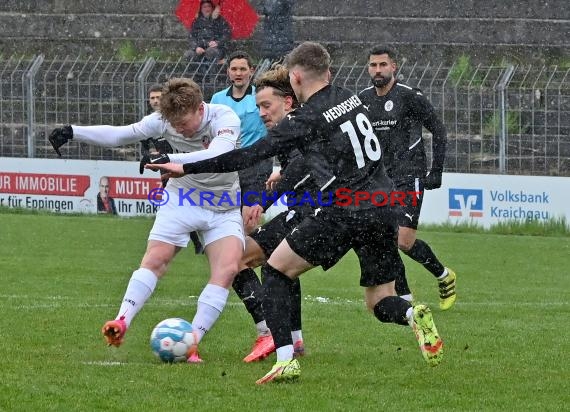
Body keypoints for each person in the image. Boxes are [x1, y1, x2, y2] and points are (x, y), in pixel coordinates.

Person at [146, 42, 444, 384]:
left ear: (296, 77)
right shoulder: (353, 97)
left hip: (344, 209)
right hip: (382, 205)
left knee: (275, 271)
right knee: (380, 301)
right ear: (328, 72)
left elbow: (248, 155)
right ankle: (411, 312)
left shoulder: (306, 118)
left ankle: (286, 357)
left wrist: (187, 167)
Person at [48, 78, 244, 363]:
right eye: (174, 126)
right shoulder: (162, 120)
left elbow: (222, 152)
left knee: (226, 270)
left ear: (200, 109)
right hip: (182, 197)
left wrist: (177, 161)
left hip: (223, 203)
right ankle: (121, 321)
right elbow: (121, 135)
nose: (179, 130)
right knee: (156, 258)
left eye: (185, 124)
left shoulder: (224, 116)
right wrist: (73, 131)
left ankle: (191, 344)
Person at [358, 46, 457, 310]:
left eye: (382, 65)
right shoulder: (363, 99)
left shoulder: (410, 97)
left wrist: (435, 171)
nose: (377, 70)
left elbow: (439, 130)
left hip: (408, 176)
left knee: (404, 241)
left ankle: (444, 275)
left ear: (394, 68)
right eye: (373, 65)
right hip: (379, 180)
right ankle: (404, 297)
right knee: (385, 237)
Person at [234, 64, 313, 363]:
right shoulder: (302, 123)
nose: (262, 113)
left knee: (236, 259)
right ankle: (294, 339)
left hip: (311, 212)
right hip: (314, 211)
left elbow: (300, 165)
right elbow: (300, 163)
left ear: (287, 102)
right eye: (258, 107)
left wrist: (262, 202)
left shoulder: (294, 127)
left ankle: (268, 332)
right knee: (283, 266)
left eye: (267, 105)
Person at [210, 50, 270, 233]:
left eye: (243, 69)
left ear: (251, 71)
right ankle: (235, 257)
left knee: (249, 219)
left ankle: (247, 258)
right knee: (227, 220)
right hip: (228, 166)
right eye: (234, 69)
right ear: (228, 71)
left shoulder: (260, 97)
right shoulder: (217, 99)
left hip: (255, 165)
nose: (238, 73)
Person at [141, 83, 204, 254]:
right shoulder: (150, 123)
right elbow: (144, 145)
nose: (155, 101)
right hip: (165, 168)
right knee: (178, 203)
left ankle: (203, 238)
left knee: (194, 201)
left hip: (184, 165)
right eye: (152, 98)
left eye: (158, 97)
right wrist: (151, 153)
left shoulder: (176, 119)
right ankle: (195, 241)